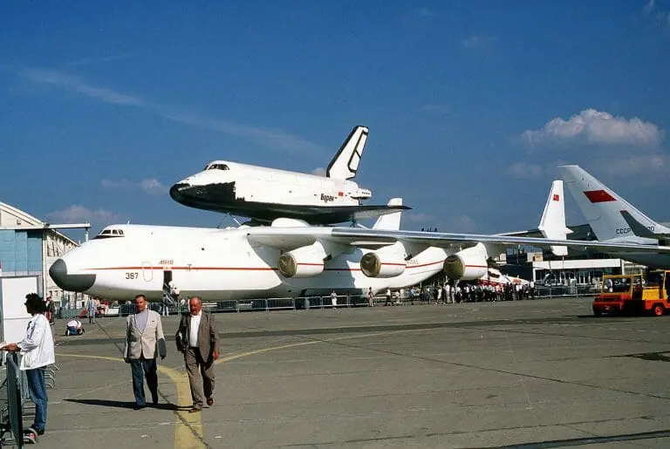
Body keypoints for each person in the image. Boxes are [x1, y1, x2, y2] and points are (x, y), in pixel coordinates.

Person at [1, 293, 55, 436]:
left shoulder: (39, 321)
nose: (26, 306)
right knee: (38, 393)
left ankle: (39, 425)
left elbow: (33, 341)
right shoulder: (38, 320)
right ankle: (39, 423)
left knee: (38, 394)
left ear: (32, 306)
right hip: (35, 361)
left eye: (27, 304)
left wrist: (17, 346)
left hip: (35, 362)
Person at [175, 297, 220, 412]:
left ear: (200, 305)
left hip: (206, 350)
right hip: (190, 351)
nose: (192, 308)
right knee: (193, 378)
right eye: (191, 306)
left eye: (195, 306)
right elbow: (179, 333)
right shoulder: (185, 317)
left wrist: (216, 349)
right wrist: (181, 346)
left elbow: (215, 335)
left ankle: (208, 394)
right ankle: (197, 403)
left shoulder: (208, 317)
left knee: (208, 377)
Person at [124, 294, 166, 410]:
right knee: (137, 378)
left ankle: (154, 395)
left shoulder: (155, 316)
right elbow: (127, 338)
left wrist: (162, 350)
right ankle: (140, 401)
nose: (139, 305)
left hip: (150, 351)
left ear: (145, 303)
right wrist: (126, 354)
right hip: (135, 351)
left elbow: (160, 334)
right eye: (137, 303)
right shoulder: (130, 318)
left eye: (141, 302)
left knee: (151, 376)